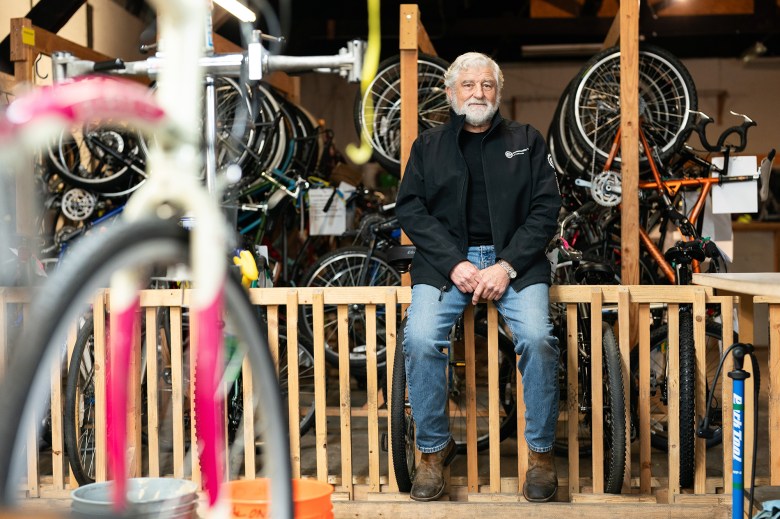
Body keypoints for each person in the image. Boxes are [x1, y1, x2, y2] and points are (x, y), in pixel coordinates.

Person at [395, 52, 562, 503]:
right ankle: (432, 451)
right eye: (467, 85)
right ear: (451, 94)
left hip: (515, 263)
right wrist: (455, 262)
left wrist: (505, 265)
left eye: (487, 84)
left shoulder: (526, 140)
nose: (478, 93)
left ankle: (542, 454)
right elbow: (410, 207)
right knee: (422, 338)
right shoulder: (428, 147)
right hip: (448, 264)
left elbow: (546, 210)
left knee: (538, 338)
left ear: (498, 92)